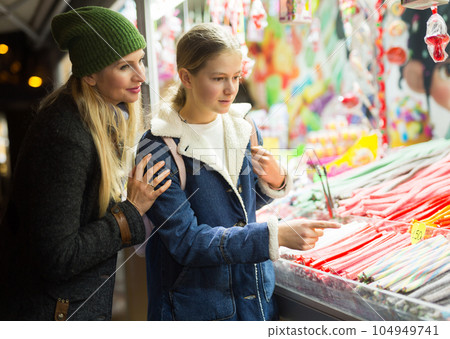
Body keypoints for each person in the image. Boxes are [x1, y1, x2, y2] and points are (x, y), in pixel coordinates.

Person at [138, 23, 340, 321]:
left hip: (253, 301)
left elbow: (234, 208)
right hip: (194, 310)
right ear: (186, 77)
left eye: (235, 77)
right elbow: (187, 242)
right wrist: (273, 236)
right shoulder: (158, 148)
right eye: (218, 78)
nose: (231, 89)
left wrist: (274, 181)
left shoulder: (243, 129)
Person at [0, 6, 171, 320]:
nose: (142, 75)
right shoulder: (64, 134)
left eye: (141, 60)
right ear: (90, 74)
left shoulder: (95, 115)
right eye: (125, 66)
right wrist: (130, 211)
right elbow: (57, 257)